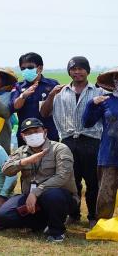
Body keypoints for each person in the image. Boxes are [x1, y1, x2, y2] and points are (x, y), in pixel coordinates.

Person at [40, 56, 104, 227]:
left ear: (87, 71)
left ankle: (92, 216)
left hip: (91, 141)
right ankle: (74, 214)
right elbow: (45, 113)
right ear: (69, 71)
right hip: (67, 142)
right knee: (70, 181)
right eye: (73, 69)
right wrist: (52, 95)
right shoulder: (59, 92)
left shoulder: (99, 92)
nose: (77, 72)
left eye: (81, 68)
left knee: (93, 181)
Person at [0, 118, 78, 242]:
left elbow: (62, 176)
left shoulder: (59, 149)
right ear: (23, 136)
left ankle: (56, 232)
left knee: (53, 196)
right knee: (3, 215)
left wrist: (36, 192)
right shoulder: (21, 151)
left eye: (36, 131)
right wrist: (25, 161)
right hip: (32, 200)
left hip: (60, 198)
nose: (32, 135)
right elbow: (6, 170)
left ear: (45, 131)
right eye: (28, 133)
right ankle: (42, 223)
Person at [83, 67, 118, 222]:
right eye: (117, 79)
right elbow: (87, 123)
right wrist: (91, 104)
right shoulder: (105, 101)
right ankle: (103, 225)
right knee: (106, 193)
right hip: (109, 154)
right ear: (114, 82)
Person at [10, 52, 60, 146]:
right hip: (26, 135)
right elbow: (14, 107)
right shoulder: (18, 87)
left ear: (40, 68)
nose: (26, 70)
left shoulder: (52, 84)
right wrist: (23, 96)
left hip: (49, 134)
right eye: (23, 68)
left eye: (30, 67)